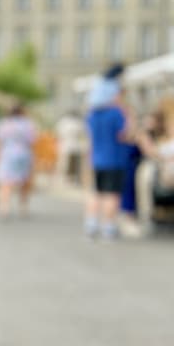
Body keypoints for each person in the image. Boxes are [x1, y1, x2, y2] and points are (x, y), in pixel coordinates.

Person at [84, 69, 133, 240]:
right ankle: (109, 227)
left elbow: (90, 138)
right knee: (112, 194)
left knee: (96, 192)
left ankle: (91, 224)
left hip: (97, 159)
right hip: (114, 159)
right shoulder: (116, 113)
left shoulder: (92, 114)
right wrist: (128, 116)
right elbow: (124, 134)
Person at [0, 103, 38, 219]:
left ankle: (4, 207)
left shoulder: (4, 124)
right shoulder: (27, 124)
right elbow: (32, 140)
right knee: (24, 180)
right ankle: (23, 206)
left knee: (6, 181)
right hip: (24, 153)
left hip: (8, 154)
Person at [54, 109, 86, 187]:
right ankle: (67, 179)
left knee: (72, 164)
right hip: (69, 145)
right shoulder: (66, 122)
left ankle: (71, 179)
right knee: (66, 164)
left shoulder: (73, 122)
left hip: (72, 145)